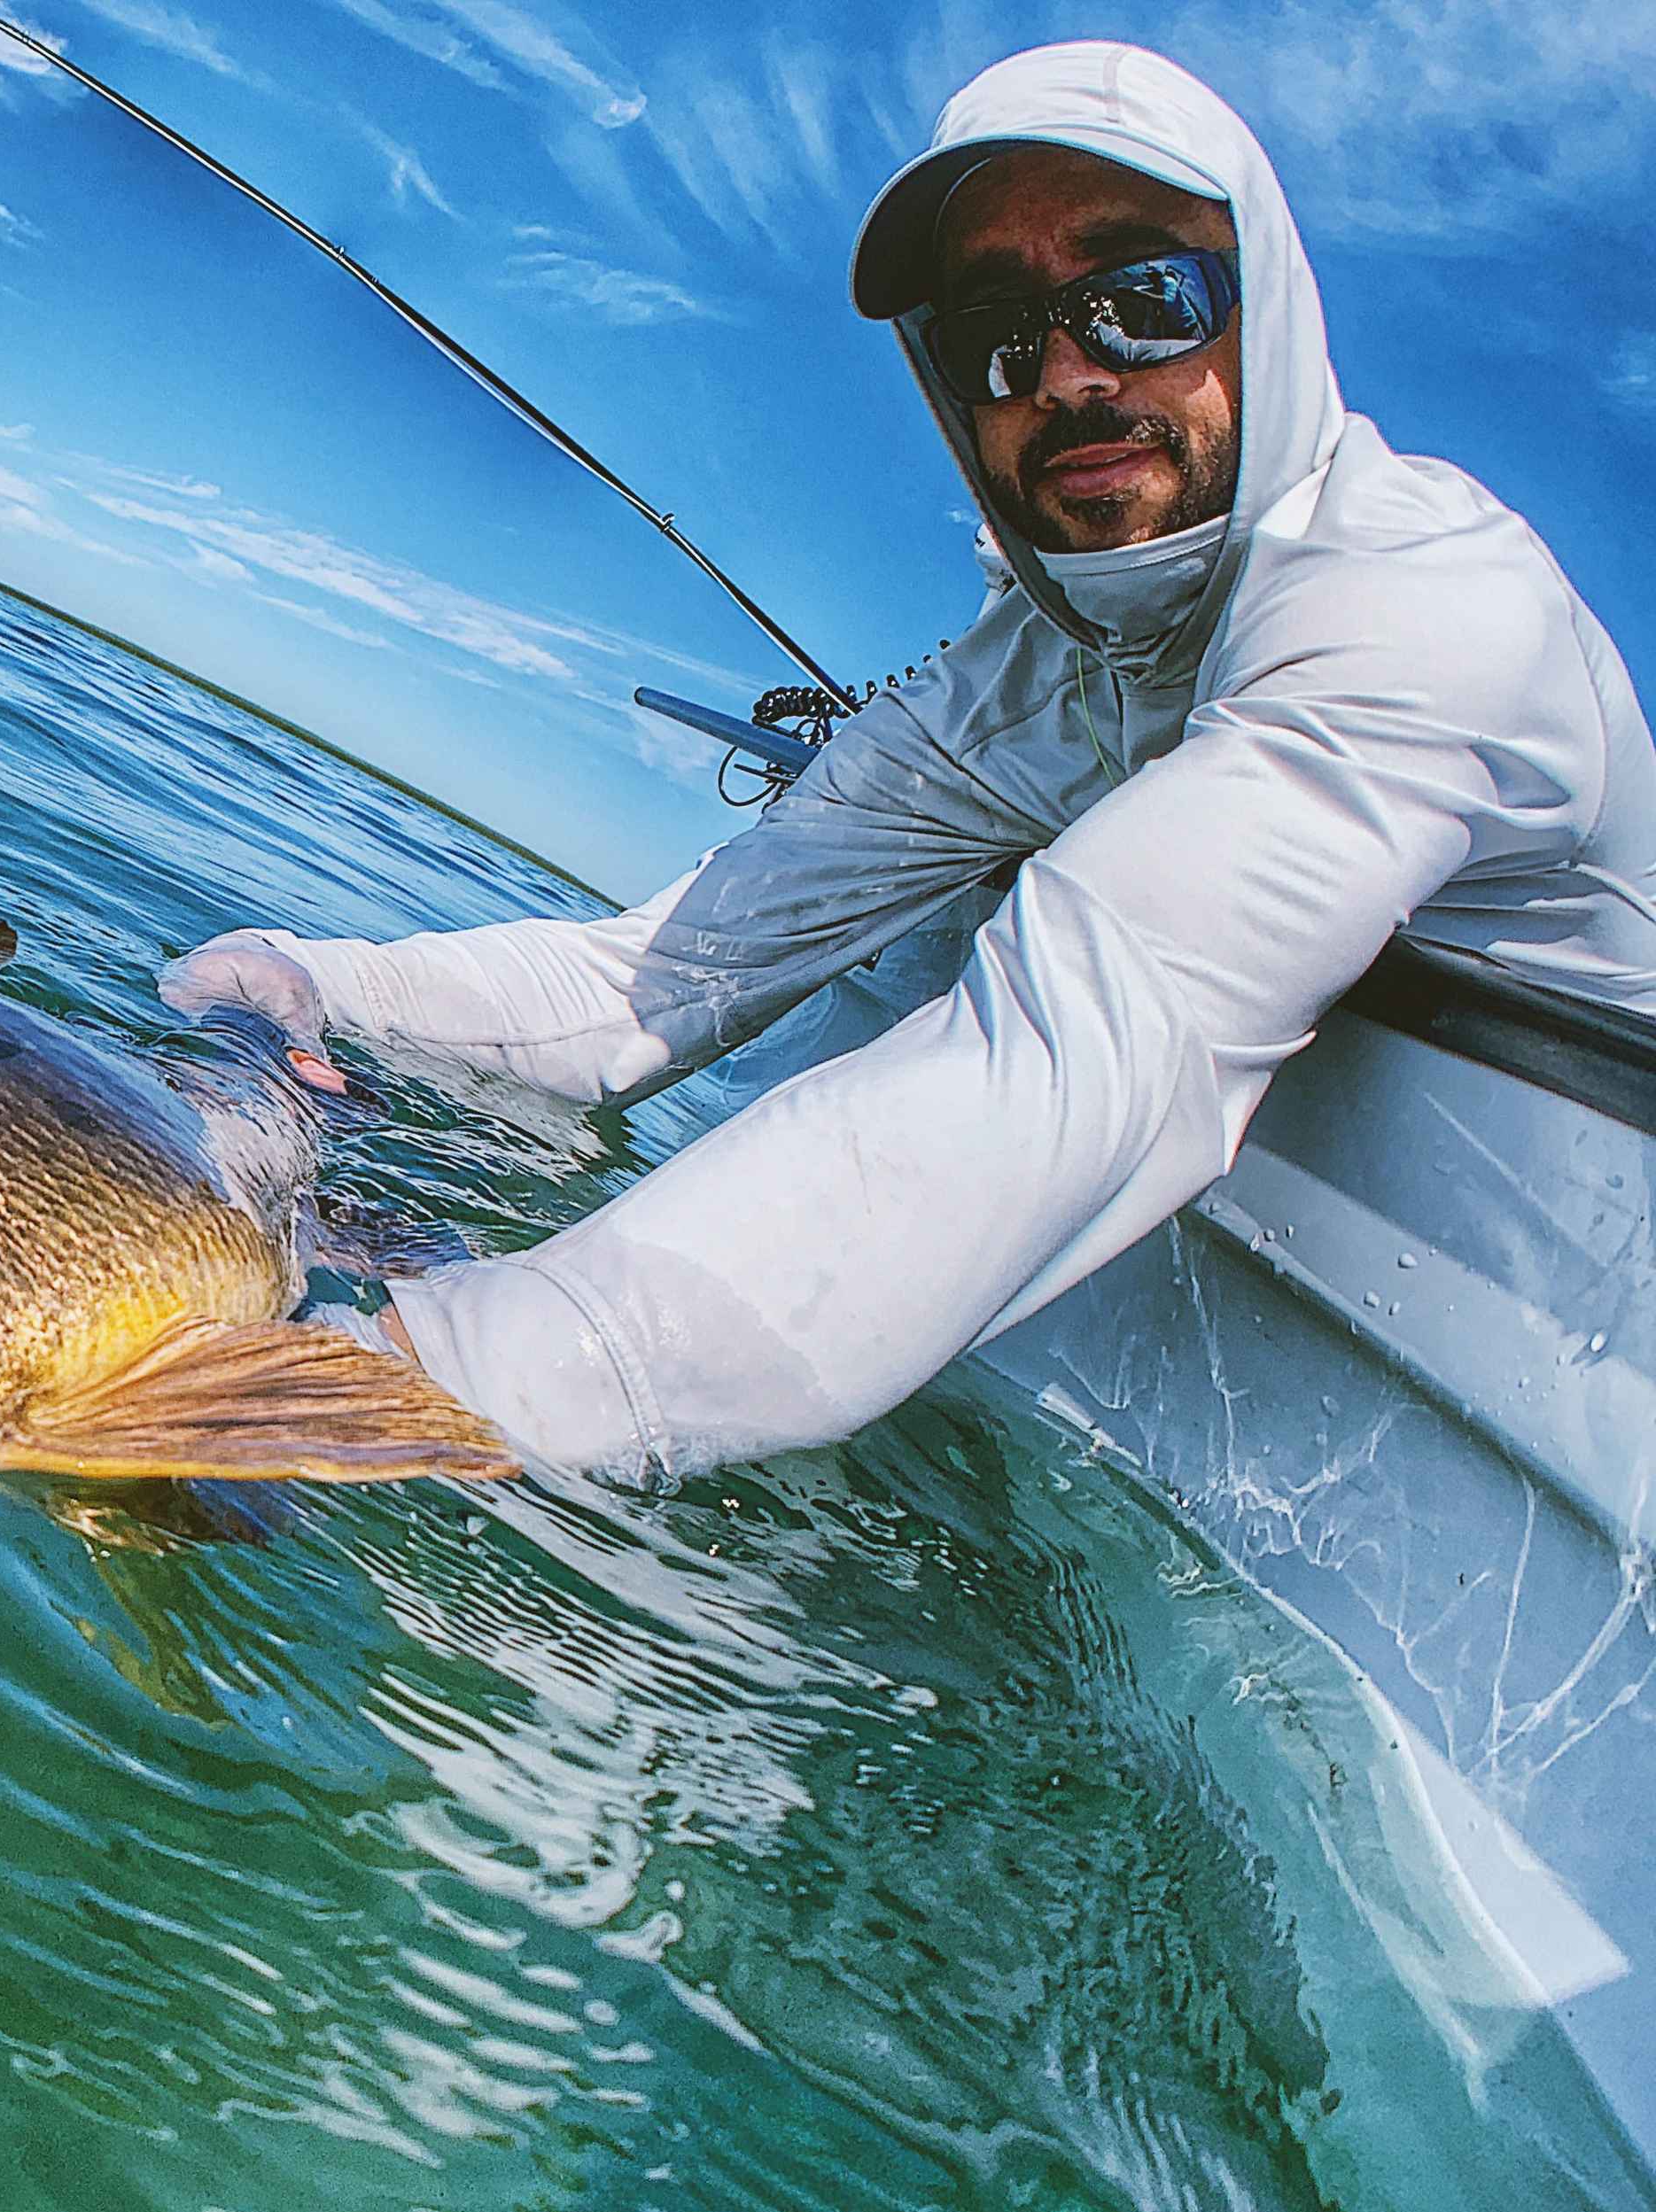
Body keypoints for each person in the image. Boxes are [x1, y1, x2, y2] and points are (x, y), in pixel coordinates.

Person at [160, 39, 1656, 1489]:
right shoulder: (1020, 687)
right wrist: (320, 982)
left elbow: (1073, 1056)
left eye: (1144, 299)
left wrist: (401, 1385)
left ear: (1268, 309)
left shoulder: (1428, 599)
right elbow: (654, 979)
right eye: (1001, 337)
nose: (1069, 375)